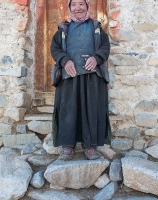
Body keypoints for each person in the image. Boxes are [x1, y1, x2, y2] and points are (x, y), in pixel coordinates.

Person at [51, 0, 111, 160]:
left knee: (91, 110)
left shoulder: (96, 27)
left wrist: (97, 57)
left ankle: (90, 146)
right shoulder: (63, 28)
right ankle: (67, 146)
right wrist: (65, 60)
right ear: (70, 8)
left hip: (92, 77)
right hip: (69, 76)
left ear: (87, 7)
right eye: (74, 4)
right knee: (68, 109)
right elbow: (55, 49)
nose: (78, 8)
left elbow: (105, 47)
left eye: (81, 4)